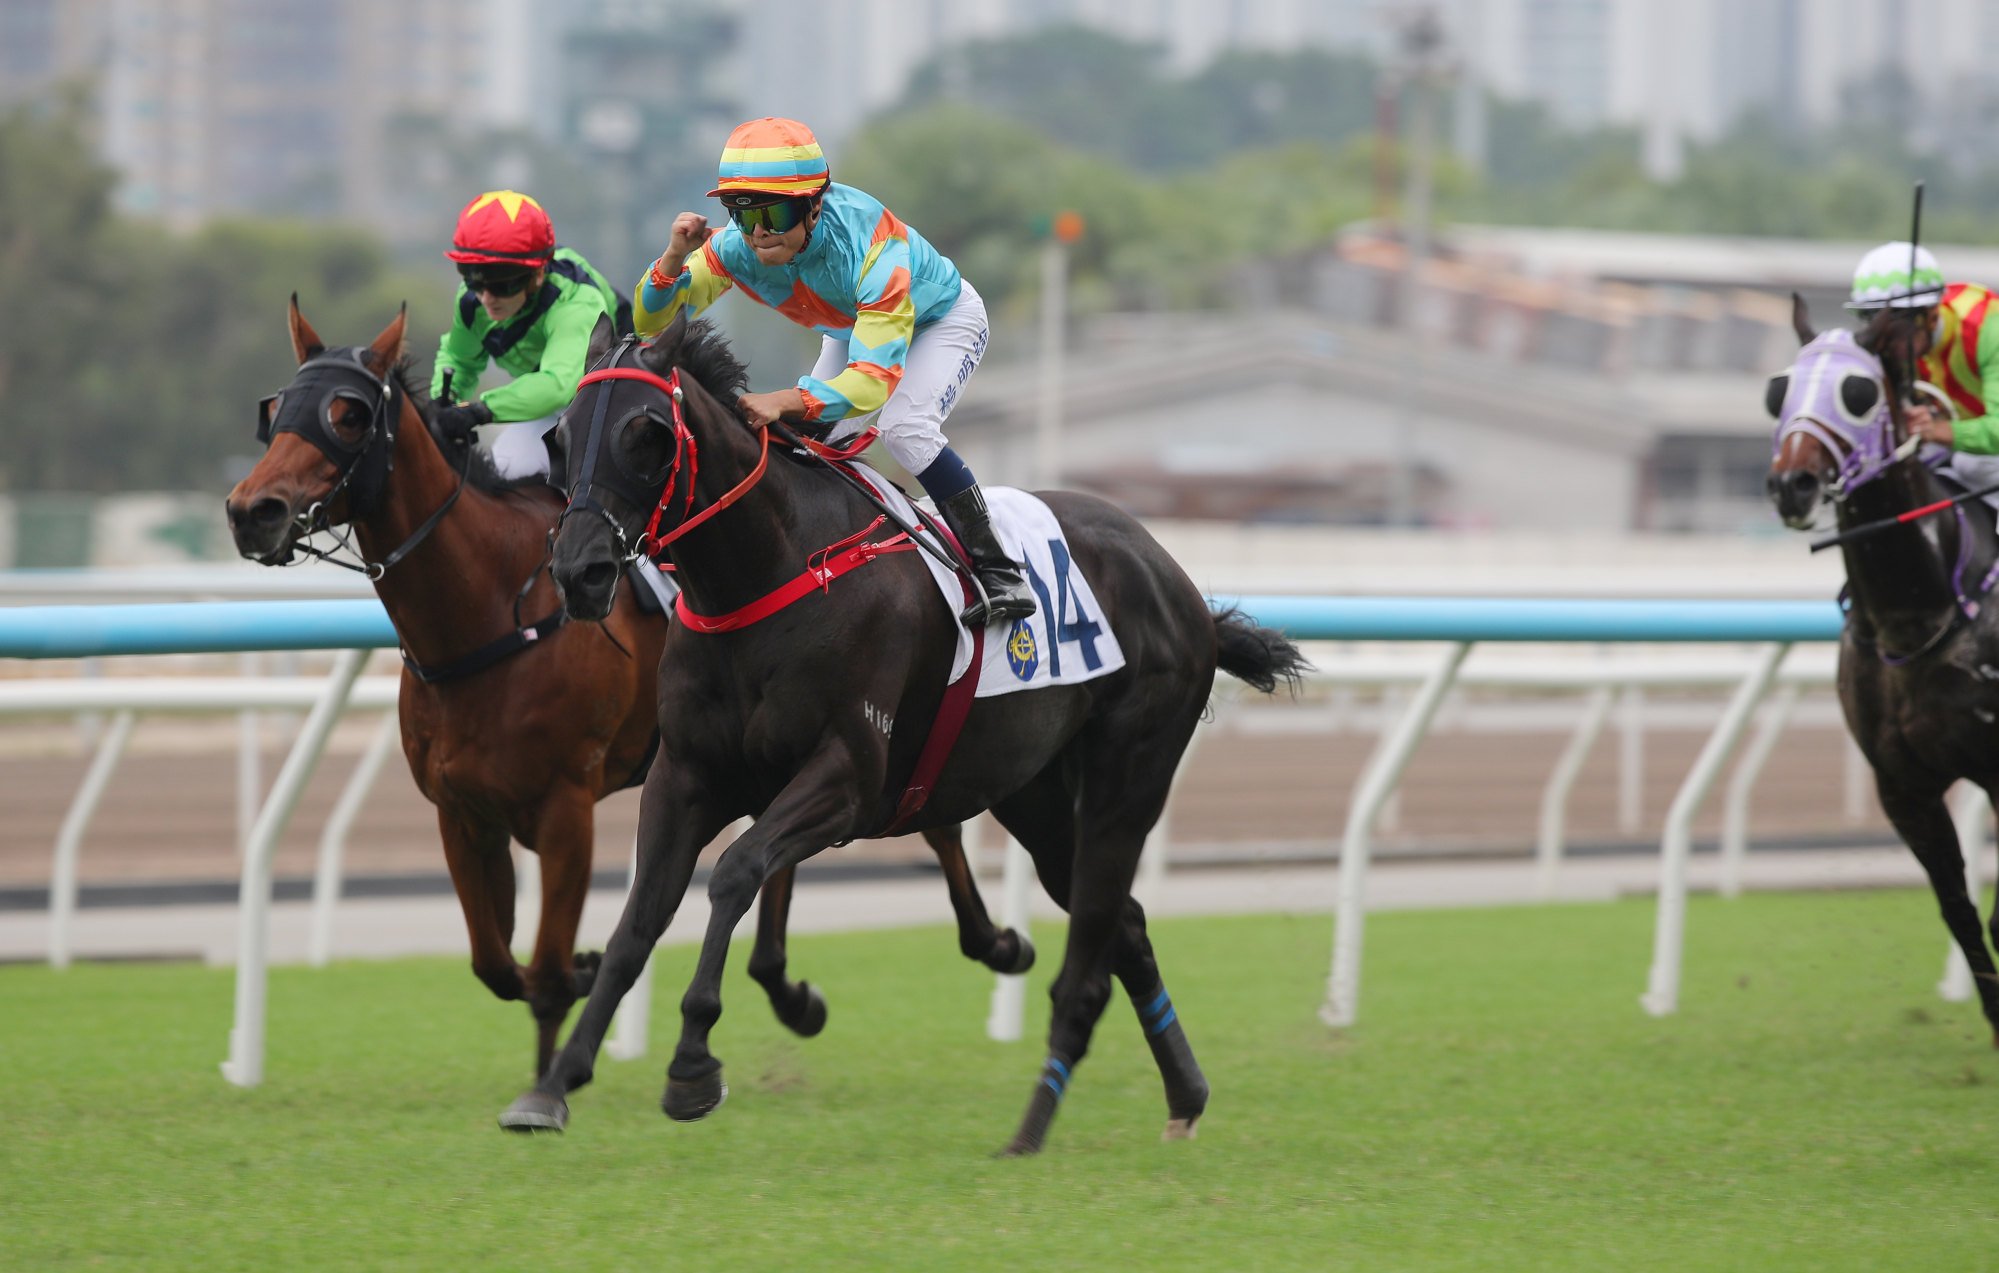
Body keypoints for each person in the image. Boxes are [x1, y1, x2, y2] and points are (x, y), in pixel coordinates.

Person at [632, 117, 1036, 626]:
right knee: (804, 444)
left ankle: (999, 570)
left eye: (774, 213)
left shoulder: (872, 249)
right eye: (742, 212)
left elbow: (871, 383)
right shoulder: (736, 246)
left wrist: (784, 398)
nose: (758, 233)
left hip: (940, 321)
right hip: (853, 328)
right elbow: (650, 321)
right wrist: (672, 258)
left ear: (813, 204)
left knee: (904, 429)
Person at [432, 189, 631, 481]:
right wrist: (442, 402)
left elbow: (558, 386)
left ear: (538, 274)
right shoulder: (471, 300)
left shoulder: (576, 302)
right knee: (502, 472)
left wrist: (479, 411)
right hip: (551, 407)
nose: (487, 297)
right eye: (473, 278)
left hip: (616, 402)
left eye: (502, 284)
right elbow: (459, 361)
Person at [1848, 242, 1999, 474]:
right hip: (1953, 451)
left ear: (1931, 316)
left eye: (1895, 331)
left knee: (1971, 466)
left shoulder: (1989, 328)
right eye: (1874, 326)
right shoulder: (1894, 347)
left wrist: (1940, 430)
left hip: (1985, 457)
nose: (1883, 344)